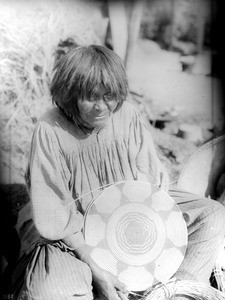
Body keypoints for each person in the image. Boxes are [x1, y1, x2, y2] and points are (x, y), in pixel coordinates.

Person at [9, 45, 225, 300]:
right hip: (74, 231)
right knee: (49, 292)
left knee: (211, 215)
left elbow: (150, 180)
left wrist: (142, 243)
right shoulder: (50, 128)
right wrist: (98, 269)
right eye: (90, 97)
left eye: (109, 96)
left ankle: (176, 291)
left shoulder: (127, 115)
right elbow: (54, 212)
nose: (101, 107)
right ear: (69, 95)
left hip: (132, 217)